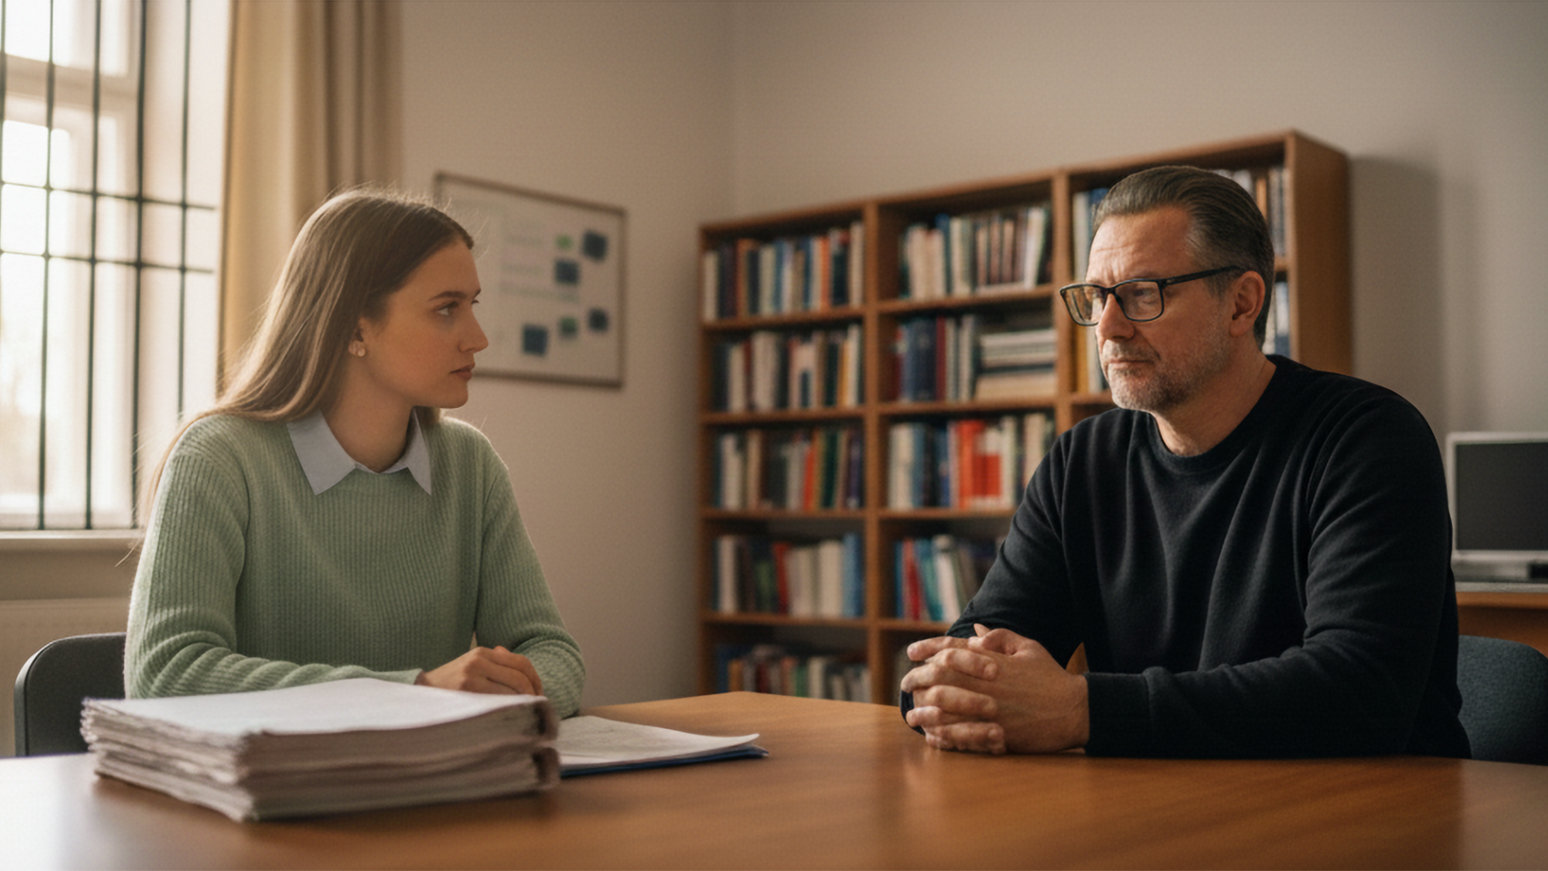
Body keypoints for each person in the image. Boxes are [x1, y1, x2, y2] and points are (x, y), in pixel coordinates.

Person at [900, 165, 1469, 758]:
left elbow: (1358, 692)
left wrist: (1081, 709)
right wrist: (950, 686)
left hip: (1375, 819)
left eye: (1143, 294)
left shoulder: (1365, 440)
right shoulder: (1082, 462)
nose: (1109, 328)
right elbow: (983, 640)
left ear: (1241, 304)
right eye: (1097, 297)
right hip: (1168, 814)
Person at [126, 189, 585, 716]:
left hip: (438, 787)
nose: (477, 337)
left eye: (472, 306)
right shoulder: (218, 458)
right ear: (353, 326)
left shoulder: (470, 464)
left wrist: (499, 689)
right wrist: (416, 693)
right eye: (446, 310)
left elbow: (555, 656)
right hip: (271, 794)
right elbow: (165, 675)